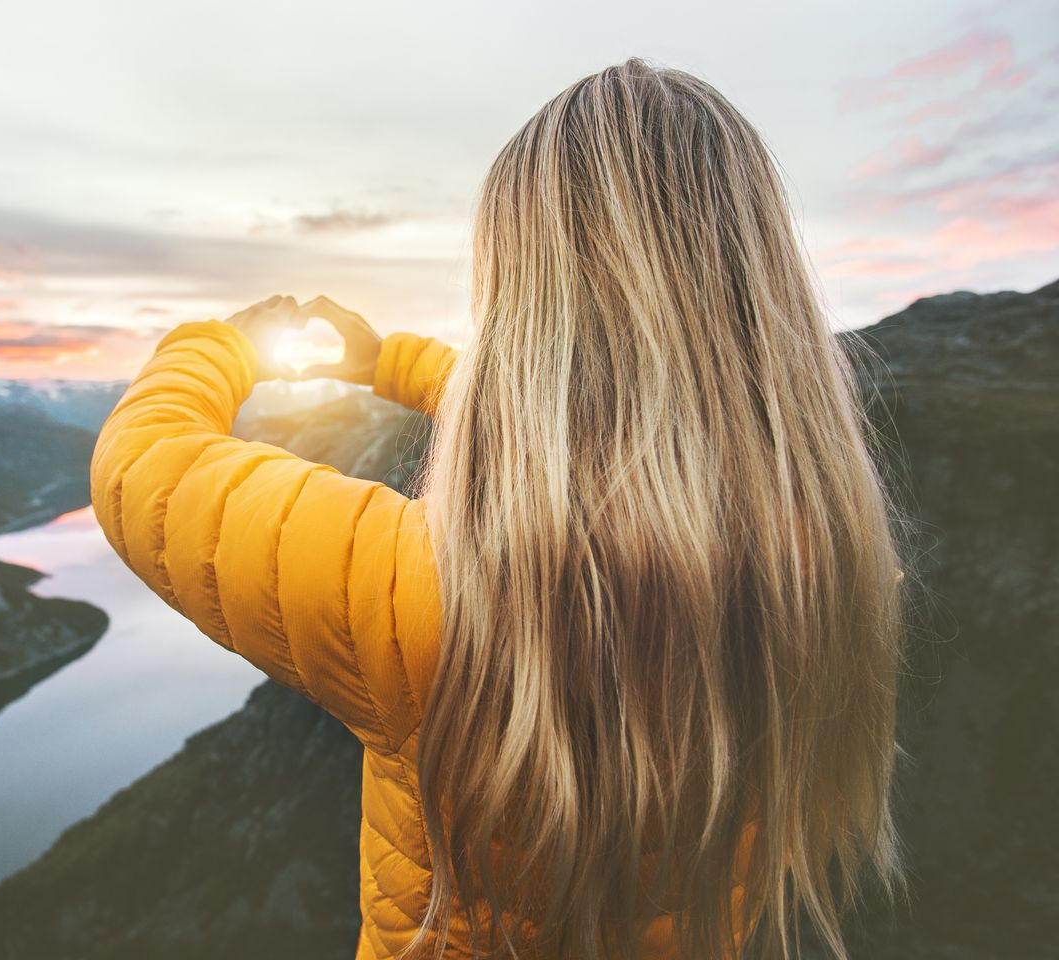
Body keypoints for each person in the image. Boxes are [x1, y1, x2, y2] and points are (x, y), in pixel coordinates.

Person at [91, 55, 911, 960]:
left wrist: (222, 345)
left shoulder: (419, 597)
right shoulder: (832, 575)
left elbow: (143, 467)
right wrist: (393, 363)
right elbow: (598, 440)